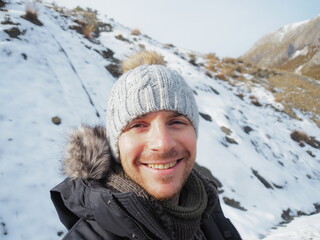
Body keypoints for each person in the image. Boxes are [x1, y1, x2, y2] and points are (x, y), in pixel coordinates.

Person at [51, 51, 242, 240]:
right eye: (138, 125)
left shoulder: (210, 214)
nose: (163, 143)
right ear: (115, 144)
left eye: (176, 122)